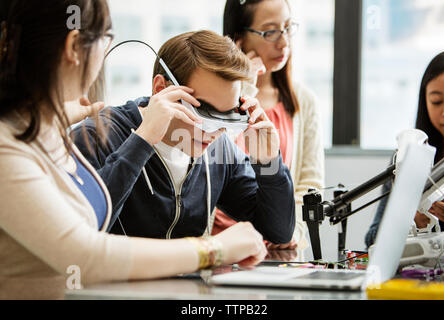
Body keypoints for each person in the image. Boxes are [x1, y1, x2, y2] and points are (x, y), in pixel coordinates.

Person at [0, 0, 267, 300]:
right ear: (75, 46)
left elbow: (85, 217)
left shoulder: (39, 131)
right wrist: (215, 249)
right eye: (106, 38)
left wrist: (51, 121)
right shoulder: (8, 148)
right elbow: (84, 255)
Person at [72, 30, 295, 245]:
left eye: (226, 117)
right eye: (204, 113)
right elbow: (82, 230)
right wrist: (143, 141)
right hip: (113, 282)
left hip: (190, 281)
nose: (214, 132)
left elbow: (278, 231)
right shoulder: (97, 136)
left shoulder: (220, 149)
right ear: (161, 89)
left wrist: (269, 162)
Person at [214, 0, 325, 254]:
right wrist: (244, 85)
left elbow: (310, 182)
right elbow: (217, 154)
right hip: (220, 245)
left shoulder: (303, 101)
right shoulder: (217, 97)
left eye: (287, 28)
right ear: (238, 38)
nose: (283, 42)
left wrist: (291, 231)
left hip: (279, 247)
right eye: (270, 31)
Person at [365, 50, 444, 248]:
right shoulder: (407, 158)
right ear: (424, 102)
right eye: (437, 102)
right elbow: (372, 238)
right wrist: (409, 221)